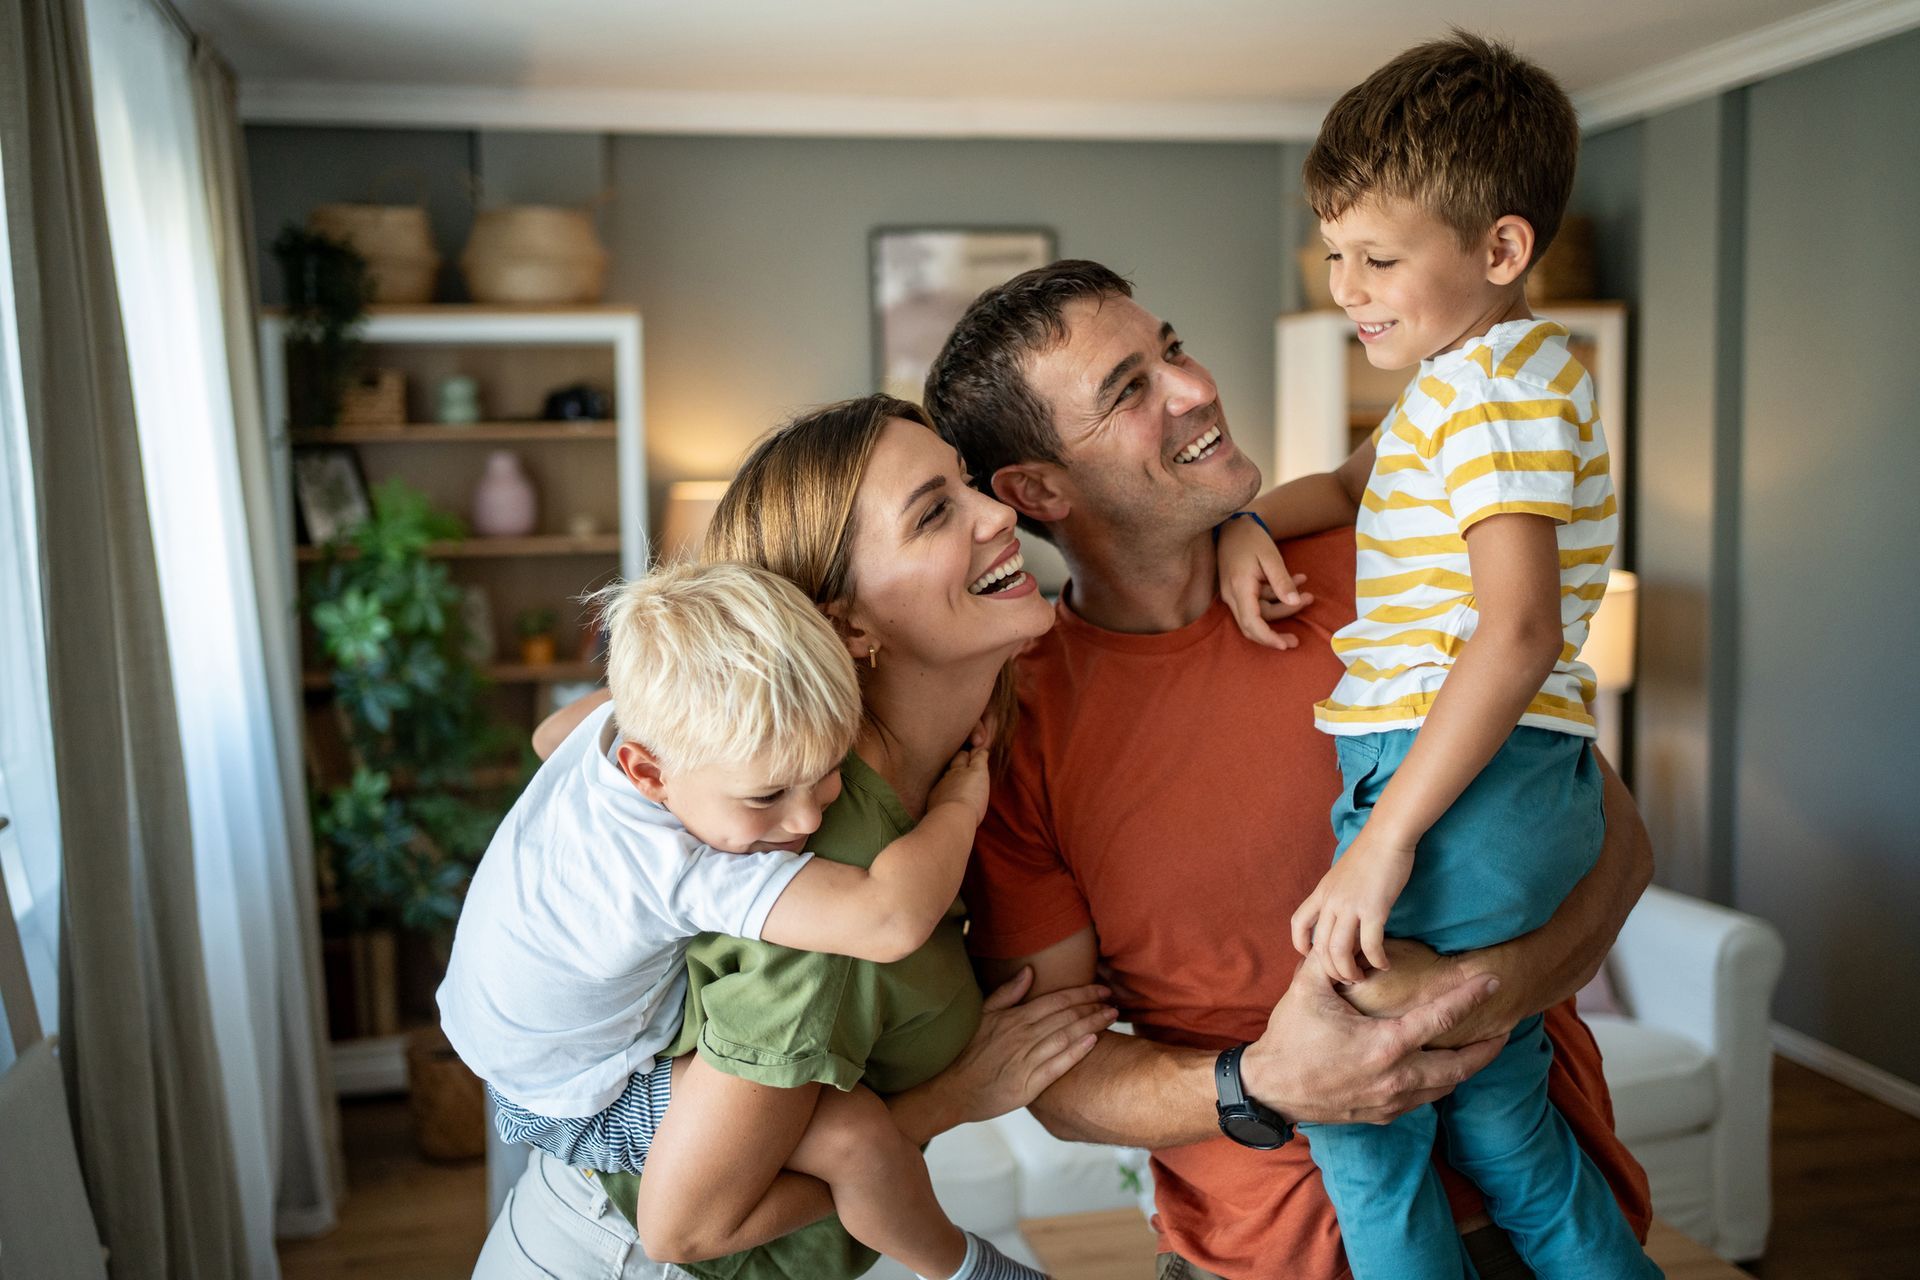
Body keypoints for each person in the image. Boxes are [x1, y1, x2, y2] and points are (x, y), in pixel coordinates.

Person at [923, 258, 1654, 1279]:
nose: (1194, 386)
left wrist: (1491, 991)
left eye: (1171, 347)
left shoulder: (1392, 565)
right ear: (1037, 490)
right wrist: (1268, 1076)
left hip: (1538, 1219)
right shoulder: (1020, 730)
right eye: (1129, 388)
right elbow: (1063, 1074)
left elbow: (1615, 837)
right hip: (1259, 1250)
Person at [472, 395, 1115, 1280]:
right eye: (936, 511)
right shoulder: (812, 875)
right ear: (845, 625)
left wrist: (1242, 532)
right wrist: (956, 1098)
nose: (1001, 511)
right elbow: (686, 1227)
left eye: (967, 483)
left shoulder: (869, 761)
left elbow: (566, 734)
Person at [1206, 33, 1660, 1280]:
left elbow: (1514, 630)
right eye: (1335, 252)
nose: (1348, 285)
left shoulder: (1494, 396)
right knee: (1507, 1123)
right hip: (1511, 783)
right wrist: (1247, 519)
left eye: (1379, 257)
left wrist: (1383, 843)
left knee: (1365, 1119)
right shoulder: (1473, 378)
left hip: (1459, 783)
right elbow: (1351, 486)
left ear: (1501, 250)